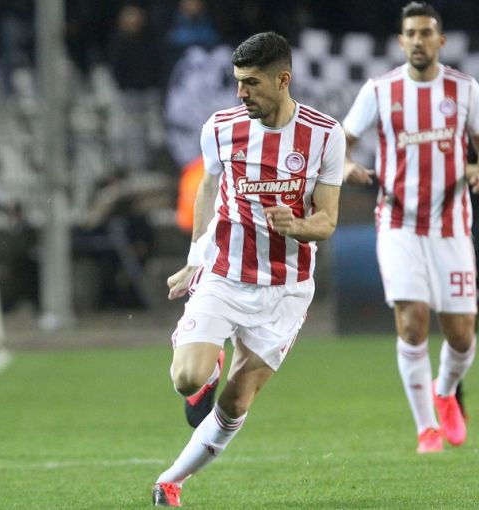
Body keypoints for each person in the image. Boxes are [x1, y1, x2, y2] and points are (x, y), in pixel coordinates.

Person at [152, 31, 344, 507]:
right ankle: (209, 365)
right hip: (225, 275)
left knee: (237, 402)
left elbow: (327, 221)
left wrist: (298, 225)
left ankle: (171, 481)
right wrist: (194, 260)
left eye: (252, 83)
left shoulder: (325, 135)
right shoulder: (220, 128)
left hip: (286, 289)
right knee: (186, 379)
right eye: (238, 82)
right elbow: (208, 189)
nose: (241, 92)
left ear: (283, 80)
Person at [343, 1, 479, 454]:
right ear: (401, 42)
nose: (419, 41)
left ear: (441, 40)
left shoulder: (465, 90)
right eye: (411, 34)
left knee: (462, 335)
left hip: (451, 226)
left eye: (426, 33)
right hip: (398, 222)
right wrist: (346, 165)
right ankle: (427, 429)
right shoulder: (380, 91)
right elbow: (341, 142)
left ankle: (445, 390)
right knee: (412, 321)